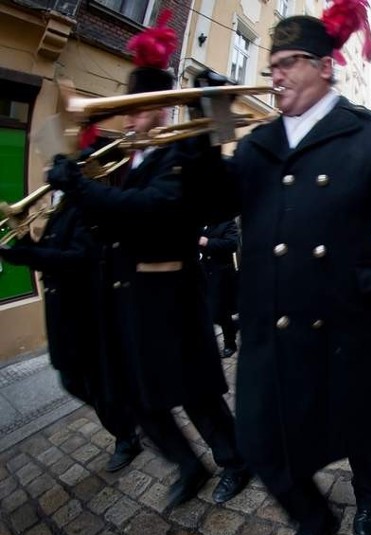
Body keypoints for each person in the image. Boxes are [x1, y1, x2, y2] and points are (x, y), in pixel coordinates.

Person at [199, 3, 371, 535]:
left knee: (366, 432)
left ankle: (370, 498)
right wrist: (212, 123)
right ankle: (314, 516)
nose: (278, 74)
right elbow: (213, 201)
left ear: (324, 67)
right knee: (262, 446)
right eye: (274, 64)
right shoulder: (257, 142)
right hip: (272, 323)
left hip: (348, 320)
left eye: (291, 63)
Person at [45, 11, 251, 509]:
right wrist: (76, 176)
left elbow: (150, 210)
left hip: (172, 296)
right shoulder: (126, 159)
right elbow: (109, 224)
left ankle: (233, 461)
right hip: (127, 298)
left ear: (158, 107)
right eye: (128, 108)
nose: (130, 117)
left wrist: (78, 186)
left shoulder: (176, 155)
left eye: (138, 108)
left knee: (197, 395)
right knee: (139, 397)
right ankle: (186, 465)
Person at [0, 192, 140, 473]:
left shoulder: (82, 209)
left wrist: (28, 252)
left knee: (92, 382)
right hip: (62, 314)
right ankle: (128, 421)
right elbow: (45, 256)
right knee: (74, 381)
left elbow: (78, 257)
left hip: (83, 312)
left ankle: (126, 435)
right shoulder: (56, 214)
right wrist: (21, 238)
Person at [199, 219, 240, 358]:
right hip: (202, 271)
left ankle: (230, 343)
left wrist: (207, 242)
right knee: (208, 311)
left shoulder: (226, 222)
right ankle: (234, 326)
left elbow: (232, 244)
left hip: (220, 274)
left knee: (220, 311)